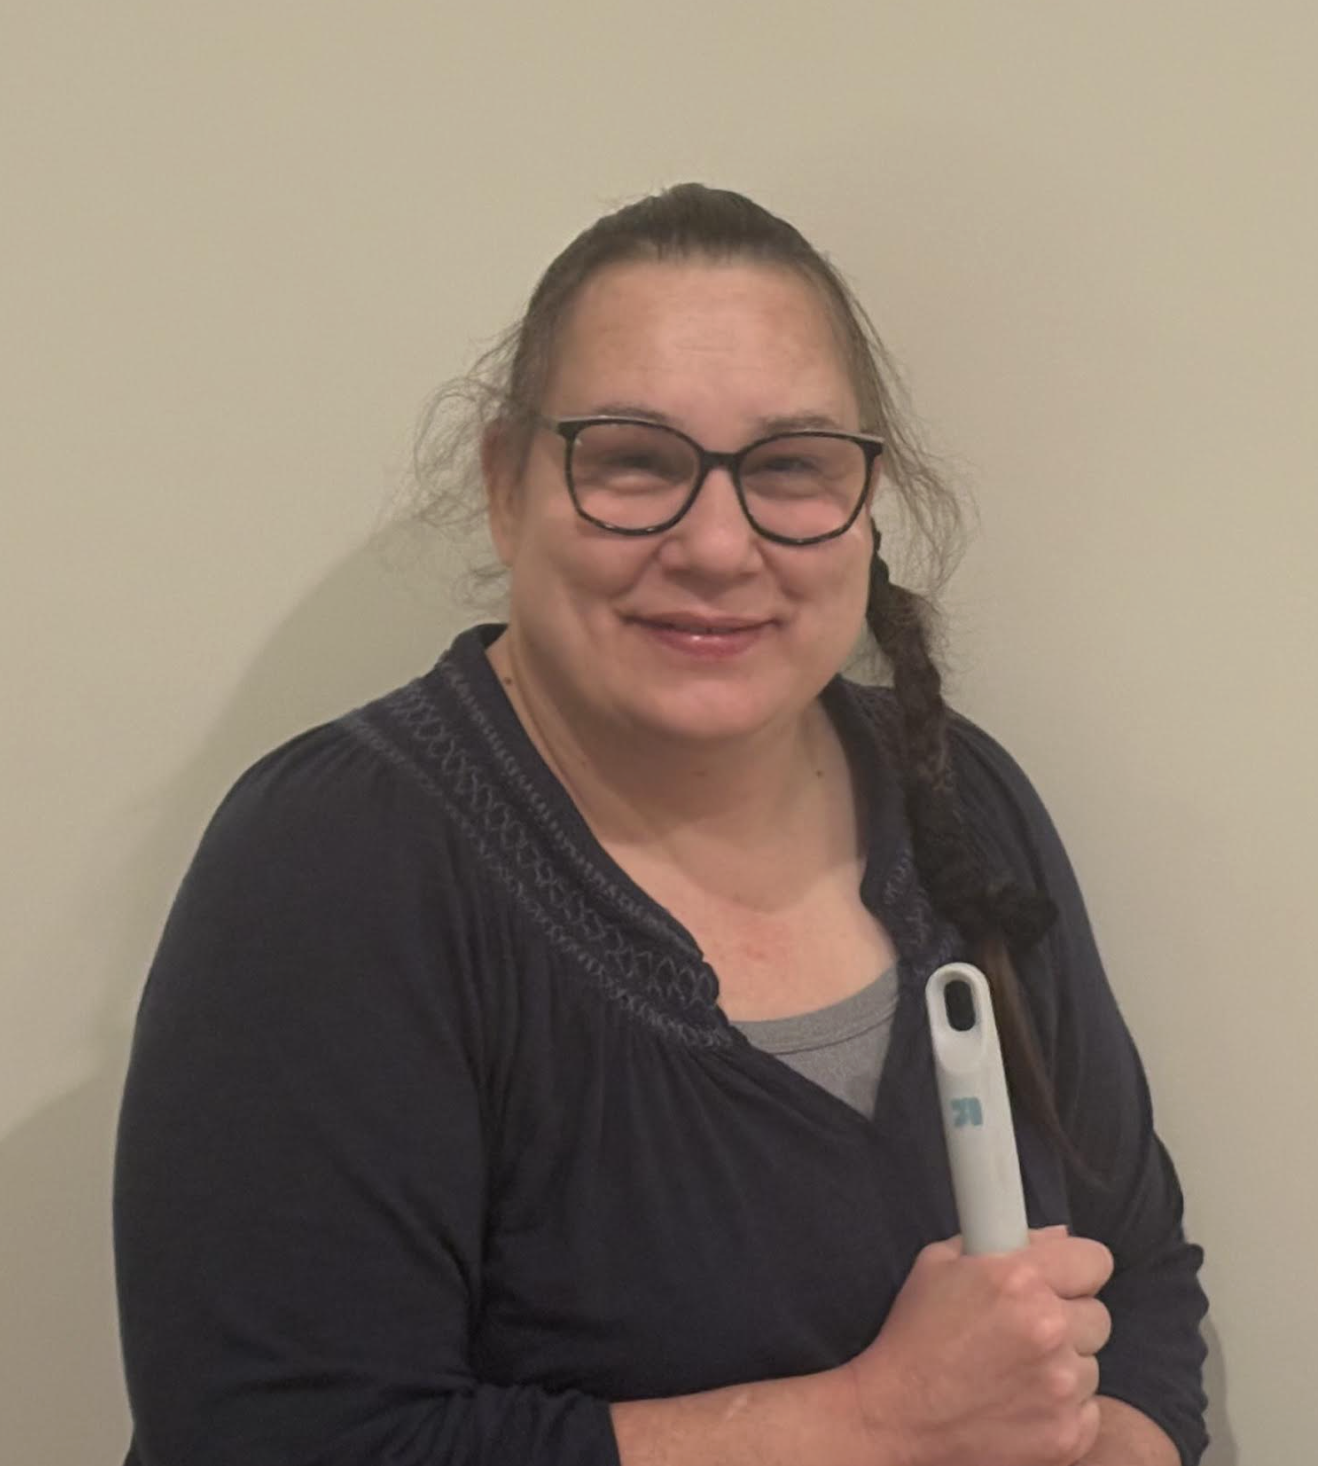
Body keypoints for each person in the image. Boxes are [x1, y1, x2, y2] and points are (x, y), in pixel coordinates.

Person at [114, 183, 1208, 1466]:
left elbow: (1136, 1274)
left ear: (863, 503)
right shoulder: (334, 867)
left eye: (791, 466)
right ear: (505, 484)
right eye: (634, 459)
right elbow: (274, 1441)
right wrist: (874, 1421)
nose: (715, 543)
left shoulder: (960, 799)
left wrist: (1124, 1442)